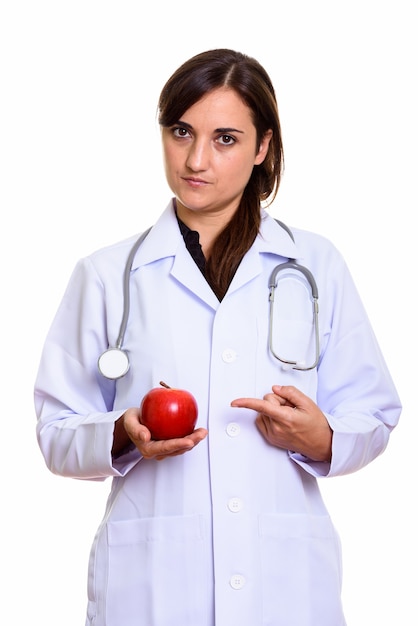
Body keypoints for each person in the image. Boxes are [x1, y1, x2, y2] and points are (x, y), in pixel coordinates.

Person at [34, 48, 401, 626]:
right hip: (152, 589)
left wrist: (322, 438)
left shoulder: (316, 266)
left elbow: (374, 411)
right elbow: (55, 431)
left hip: (283, 586)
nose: (196, 159)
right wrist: (123, 434)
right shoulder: (106, 275)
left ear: (263, 148)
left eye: (226, 138)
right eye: (181, 131)